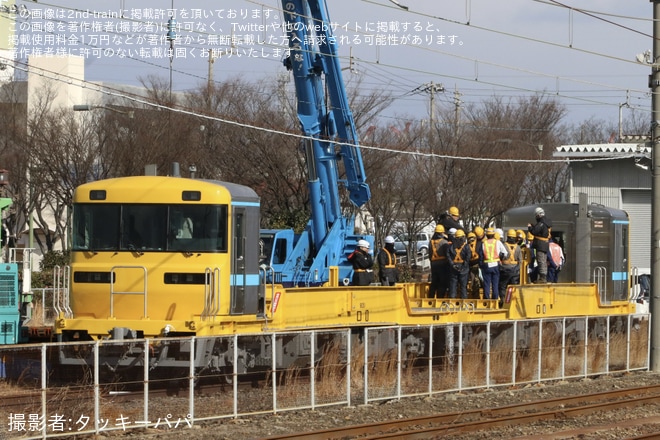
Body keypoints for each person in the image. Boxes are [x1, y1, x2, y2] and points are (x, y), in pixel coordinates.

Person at [478, 227, 509, 300]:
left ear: (487, 235)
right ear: (493, 234)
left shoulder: (483, 243)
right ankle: (495, 299)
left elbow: (480, 255)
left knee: (487, 283)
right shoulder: (497, 242)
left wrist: (481, 265)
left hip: (486, 265)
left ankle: (487, 299)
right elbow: (505, 253)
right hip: (495, 265)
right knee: (495, 283)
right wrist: (501, 258)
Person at [528, 207, 552, 283]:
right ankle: (543, 276)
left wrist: (530, 228)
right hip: (545, 245)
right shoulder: (546, 223)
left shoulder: (541, 223)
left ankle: (542, 278)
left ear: (538, 215)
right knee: (544, 261)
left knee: (541, 260)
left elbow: (535, 231)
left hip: (540, 245)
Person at [447, 229, 471, 299]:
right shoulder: (466, 247)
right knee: (463, 286)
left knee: (453, 286)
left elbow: (448, 257)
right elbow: (468, 257)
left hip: (454, 267)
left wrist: (453, 265)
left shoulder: (450, 247)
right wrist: (464, 266)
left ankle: (452, 301)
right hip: (463, 268)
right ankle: (464, 302)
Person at [499, 229, 522, 301]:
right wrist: (517, 269)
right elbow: (520, 260)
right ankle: (513, 301)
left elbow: (500, 257)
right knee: (514, 287)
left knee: (502, 286)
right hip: (515, 270)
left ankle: (503, 300)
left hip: (504, 269)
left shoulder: (503, 246)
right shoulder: (518, 247)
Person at [428, 224, 450, 299]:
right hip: (443, 265)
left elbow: (429, 254)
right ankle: (440, 298)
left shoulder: (431, 242)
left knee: (434, 282)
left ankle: (430, 297)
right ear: (441, 233)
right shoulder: (444, 242)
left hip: (434, 265)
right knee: (442, 282)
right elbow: (447, 254)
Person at [467, 231, 481, 299]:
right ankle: (476, 295)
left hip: (472, 265)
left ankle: (474, 295)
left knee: (474, 281)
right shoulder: (479, 244)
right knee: (476, 281)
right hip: (477, 265)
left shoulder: (467, 246)